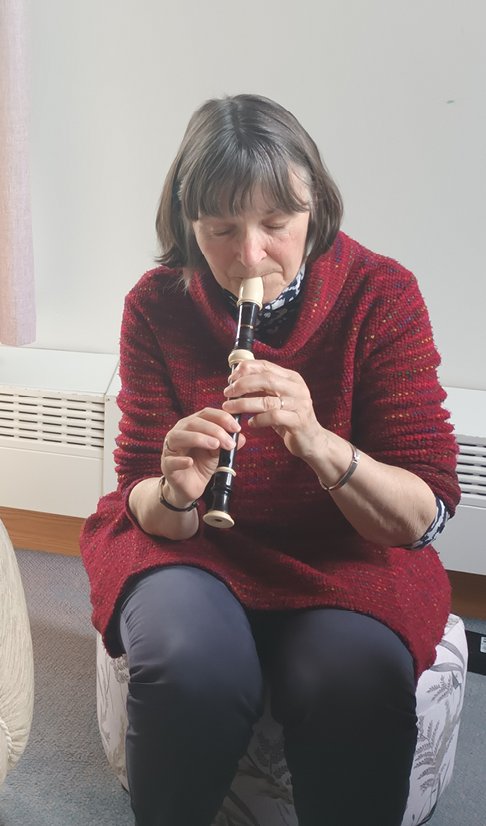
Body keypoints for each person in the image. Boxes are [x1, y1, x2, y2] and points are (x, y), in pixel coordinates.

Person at [80, 95, 460, 826]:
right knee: (189, 671)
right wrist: (179, 492)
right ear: (188, 225)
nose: (248, 255)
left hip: (348, 554)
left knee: (354, 683)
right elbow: (138, 494)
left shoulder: (382, 295)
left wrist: (318, 441)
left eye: (275, 226)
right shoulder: (157, 303)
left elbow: (424, 513)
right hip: (198, 555)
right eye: (220, 229)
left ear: (315, 211)